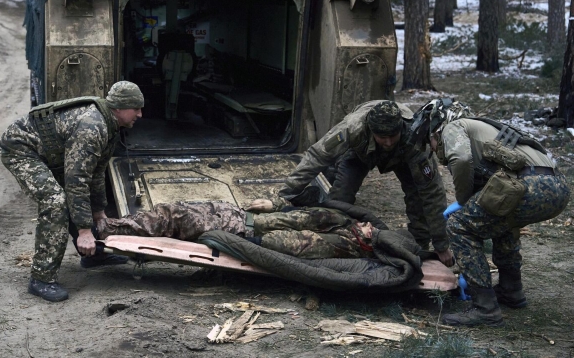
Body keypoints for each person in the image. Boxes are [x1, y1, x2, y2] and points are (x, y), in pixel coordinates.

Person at [412, 98, 570, 327]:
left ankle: (484, 308)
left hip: (528, 186)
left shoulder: (454, 127)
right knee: (499, 219)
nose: (434, 148)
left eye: (432, 141)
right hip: (558, 186)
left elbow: (462, 158)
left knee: (459, 226)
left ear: (437, 128)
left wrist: (463, 200)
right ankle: (511, 290)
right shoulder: (486, 128)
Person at [250, 100, 453, 266]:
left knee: (418, 200)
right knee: (339, 200)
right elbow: (316, 157)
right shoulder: (352, 128)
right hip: (359, 154)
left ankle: (416, 248)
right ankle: (338, 242)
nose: (388, 142)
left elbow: (432, 193)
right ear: (371, 131)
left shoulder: (414, 138)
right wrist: (283, 197)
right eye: (383, 137)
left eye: (393, 136)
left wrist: (441, 245)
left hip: (403, 157)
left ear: (401, 128)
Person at [0, 81, 144, 302]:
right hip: (22, 148)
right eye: (136, 108)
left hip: (50, 153)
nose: (140, 114)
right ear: (119, 108)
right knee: (56, 201)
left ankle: (93, 256)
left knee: (74, 198)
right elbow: (76, 180)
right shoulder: (92, 126)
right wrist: (85, 230)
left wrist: (99, 212)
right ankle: (42, 278)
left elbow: (96, 173)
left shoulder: (111, 125)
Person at [95, 201, 377, 260]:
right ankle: (110, 227)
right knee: (172, 210)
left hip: (241, 228)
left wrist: (251, 240)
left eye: (370, 230)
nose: (368, 226)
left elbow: (296, 244)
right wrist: (271, 204)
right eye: (368, 223)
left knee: (173, 217)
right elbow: (300, 212)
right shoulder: (341, 220)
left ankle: (105, 230)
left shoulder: (343, 242)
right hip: (242, 215)